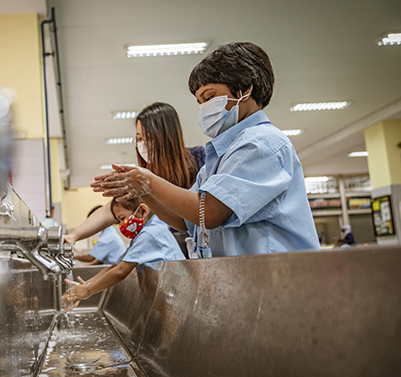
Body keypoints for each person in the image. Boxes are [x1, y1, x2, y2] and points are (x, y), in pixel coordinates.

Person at [92, 42, 320, 257]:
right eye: (200, 102)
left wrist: (149, 181)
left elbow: (209, 213)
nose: (204, 108)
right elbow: (187, 221)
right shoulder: (221, 156)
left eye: (209, 97)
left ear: (245, 90)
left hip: (277, 276)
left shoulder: (261, 143)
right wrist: (142, 191)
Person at [63, 102, 201, 247]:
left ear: (167, 136)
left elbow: (198, 213)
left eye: (148, 138)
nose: (143, 144)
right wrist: (73, 236)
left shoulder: (199, 160)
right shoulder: (141, 178)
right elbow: (110, 211)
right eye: (139, 139)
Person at [62, 198, 185, 309]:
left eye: (123, 218)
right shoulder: (142, 234)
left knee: (171, 324)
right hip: (167, 296)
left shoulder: (150, 233)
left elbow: (121, 271)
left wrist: (88, 290)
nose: (122, 225)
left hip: (175, 295)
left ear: (142, 210)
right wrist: (86, 285)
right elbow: (114, 267)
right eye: (119, 220)